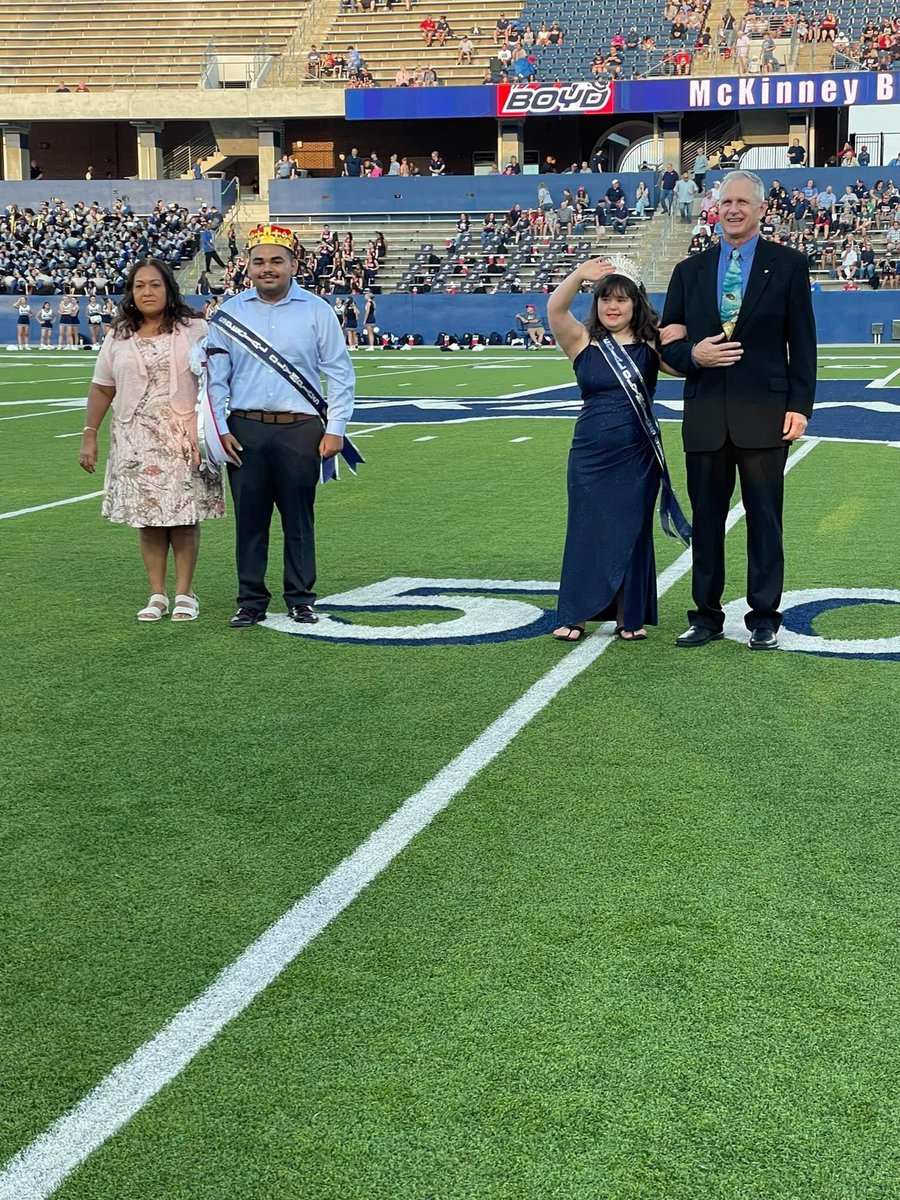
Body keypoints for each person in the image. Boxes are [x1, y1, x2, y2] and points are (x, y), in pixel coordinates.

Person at [660, 170, 816, 651]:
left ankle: (764, 616)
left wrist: (800, 405)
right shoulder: (689, 271)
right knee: (706, 522)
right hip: (705, 413)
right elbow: (669, 344)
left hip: (765, 414)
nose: (733, 209)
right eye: (726, 201)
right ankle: (706, 615)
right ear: (715, 207)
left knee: (766, 521)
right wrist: (695, 358)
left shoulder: (788, 265)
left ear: (761, 209)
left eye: (743, 202)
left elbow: (803, 343)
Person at [206, 224, 357, 628]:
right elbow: (215, 379)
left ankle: (301, 598)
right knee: (250, 520)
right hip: (245, 429)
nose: (267, 269)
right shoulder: (229, 314)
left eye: (276, 261)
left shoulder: (317, 310)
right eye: (259, 262)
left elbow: (340, 374)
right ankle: (250, 599)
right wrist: (220, 430)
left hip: (300, 428)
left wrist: (336, 427)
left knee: (298, 518)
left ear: (293, 264)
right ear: (247, 267)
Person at [547, 256, 691, 642]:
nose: (612, 306)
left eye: (621, 300)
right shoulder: (580, 340)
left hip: (637, 454)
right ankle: (575, 614)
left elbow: (687, 365)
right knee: (585, 529)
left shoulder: (651, 344)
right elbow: (554, 308)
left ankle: (630, 616)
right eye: (605, 299)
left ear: (636, 304)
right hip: (590, 454)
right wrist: (578, 275)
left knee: (632, 532)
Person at [78, 258, 224, 621]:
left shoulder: (196, 329)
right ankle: (157, 593)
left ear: (168, 289)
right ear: (131, 292)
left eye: (155, 284)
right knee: (149, 519)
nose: (147, 291)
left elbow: (220, 376)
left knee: (184, 516)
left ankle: (185, 592)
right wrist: (89, 434)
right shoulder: (118, 335)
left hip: (184, 436)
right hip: (135, 438)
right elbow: (102, 387)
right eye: (140, 285)